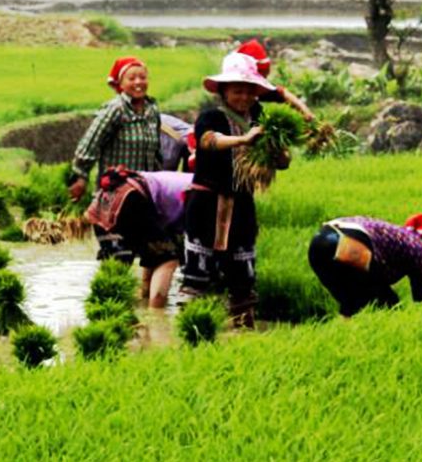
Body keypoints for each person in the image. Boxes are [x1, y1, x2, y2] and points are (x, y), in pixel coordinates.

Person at [182, 52, 278, 327]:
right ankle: (195, 330)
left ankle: (243, 331)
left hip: (242, 205)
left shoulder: (261, 117)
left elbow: (279, 160)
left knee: (243, 276)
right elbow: (208, 141)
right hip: (206, 204)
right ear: (223, 91)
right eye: (238, 91)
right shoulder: (210, 117)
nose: (245, 97)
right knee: (198, 275)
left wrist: (279, 153)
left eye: (250, 91)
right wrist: (244, 140)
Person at [307, 213, 422, 318]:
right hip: (350, 241)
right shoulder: (418, 248)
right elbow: (421, 298)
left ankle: (343, 336)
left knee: (351, 301)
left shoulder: (400, 236)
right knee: (389, 304)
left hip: (319, 242)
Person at [85, 167, 192, 309]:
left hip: (105, 203)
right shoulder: (206, 191)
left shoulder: (190, 181)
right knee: (168, 259)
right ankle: (155, 315)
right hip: (130, 200)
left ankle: (139, 304)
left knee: (127, 268)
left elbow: (154, 248)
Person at [68, 56, 162, 202]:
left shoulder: (152, 111)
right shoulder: (116, 109)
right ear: (121, 84)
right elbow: (91, 143)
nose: (138, 82)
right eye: (131, 78)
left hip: (143, 193)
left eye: (142, 77)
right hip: (114, 194)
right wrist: (80, 176)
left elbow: (156, 154)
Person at [236, 38, 316, 122]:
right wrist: (247, 136)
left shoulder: (257, 90)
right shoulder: (223, 106)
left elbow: (282, 93)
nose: (262, 83)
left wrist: (306, 112)